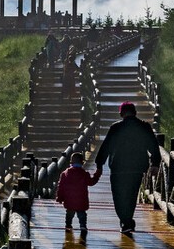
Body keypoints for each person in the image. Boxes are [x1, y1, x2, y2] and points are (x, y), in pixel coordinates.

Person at [93, 101, 160, 236]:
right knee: (131, 195)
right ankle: (127, 222)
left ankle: (125, 222)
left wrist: (99, 164)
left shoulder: (116, 128)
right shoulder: (144, 127)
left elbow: (106, 147)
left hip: (118, 167)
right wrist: (155, 164)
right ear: (135, 112)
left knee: (118, 196)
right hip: (137, 167)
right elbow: (153, 146)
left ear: (121, 113)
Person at [56, 151, 98, 237]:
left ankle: (68, 225)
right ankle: (83, 226)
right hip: (81, 199)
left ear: (71, 162)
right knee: (82, 214)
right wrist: (97, 175)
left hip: (69, 199)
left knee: (69, 213)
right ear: (82, 162)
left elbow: (61, 186)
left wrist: (60, 197)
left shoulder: (65, 173)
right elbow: (91, 182)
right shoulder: (84, 174)